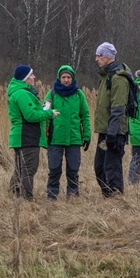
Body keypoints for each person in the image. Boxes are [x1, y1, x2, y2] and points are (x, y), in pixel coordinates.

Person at [7, 64, 59, 200]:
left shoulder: (18, 92)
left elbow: (30, 112)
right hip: (27, 136)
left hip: (21, 136)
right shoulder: (22, 93)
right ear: (25, 78)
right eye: (31, 75)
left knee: (20, 169)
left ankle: (14, 196)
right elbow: (30, 115)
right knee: (29, 169)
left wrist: (42, 110)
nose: (34, 77)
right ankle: (27, 198)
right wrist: (49, 114)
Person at [43, 65, 91, 200]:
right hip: (55, 138)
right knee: (54, 169)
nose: (66, 80)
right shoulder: (51, 94)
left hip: (74, 138)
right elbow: (44, 115)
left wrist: (87, 135)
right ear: (59, 77)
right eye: (63, 77)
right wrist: (44, 136)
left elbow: (85, 116)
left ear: (72, 78)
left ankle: (73, 195)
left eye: (68, 77)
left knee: (73, 169)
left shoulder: (79, 94)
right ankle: (52, 196)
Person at [93, 42, 132, 197]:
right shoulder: (106, 76)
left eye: (99, 55)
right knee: (99, 167)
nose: (96, 59)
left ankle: (116, 200)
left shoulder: (118, 79)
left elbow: (118, 109)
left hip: (114, 132)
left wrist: (112, 134)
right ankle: (108, 197)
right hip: (105, 131)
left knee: (112, 167)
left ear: (108, 57)